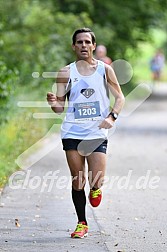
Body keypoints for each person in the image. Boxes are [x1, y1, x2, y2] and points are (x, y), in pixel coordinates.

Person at [47, 28, 125, 238]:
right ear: (74, 46)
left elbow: (120, 98)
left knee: (96, 179)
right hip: (72, 131)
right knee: (77, 179)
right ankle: (82, 223)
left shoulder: (105, 70)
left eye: (87, 42)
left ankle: (96, 189)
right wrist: (54, 102)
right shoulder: (65, 72)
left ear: (93, 45)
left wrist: (112, 117)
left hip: (96, 132)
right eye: (79, 42)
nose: (83, 45)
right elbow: (59, 108)